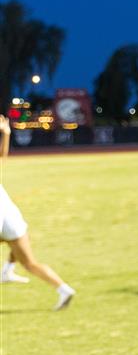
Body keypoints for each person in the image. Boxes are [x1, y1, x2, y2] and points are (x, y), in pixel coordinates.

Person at [0, 116, 76, 309]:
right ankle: (9, 271)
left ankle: (63, 289)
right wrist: (6, 133)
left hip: (5, 223)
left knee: (29, 263)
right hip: (12, 219)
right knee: (27, 258)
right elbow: (2, 157)